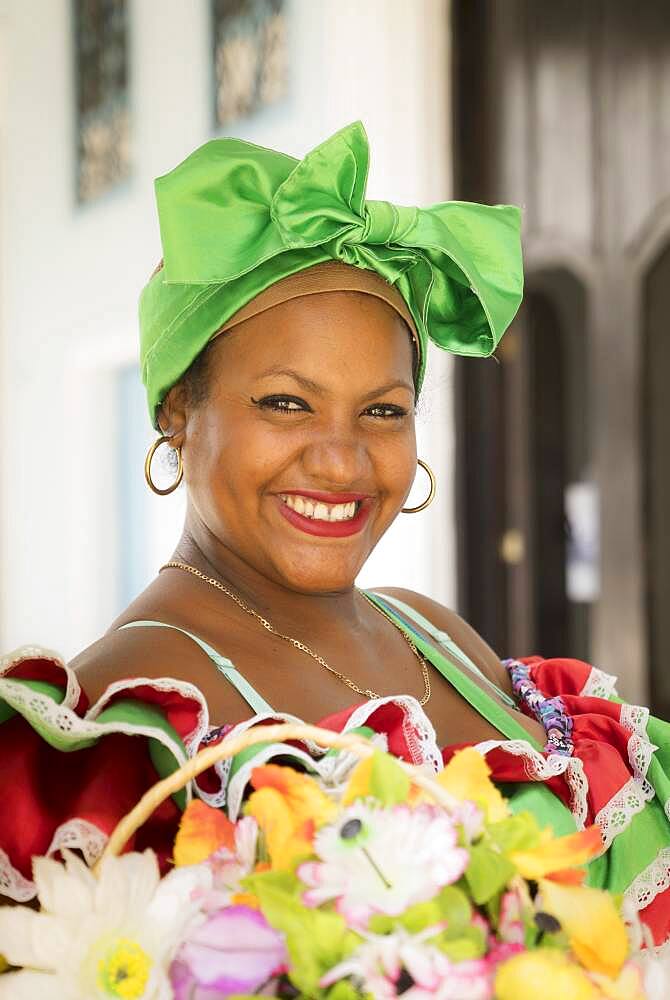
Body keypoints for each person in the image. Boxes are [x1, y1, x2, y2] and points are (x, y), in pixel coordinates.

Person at [1, 122, 669, 945]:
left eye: (382, 411)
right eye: (286, 403)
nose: (341, 461)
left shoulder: (432, 633)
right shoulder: (121, 730)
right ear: (178, 408)